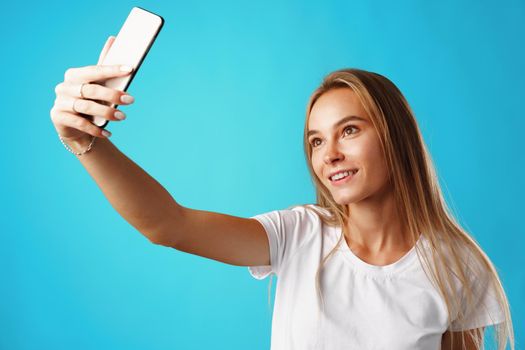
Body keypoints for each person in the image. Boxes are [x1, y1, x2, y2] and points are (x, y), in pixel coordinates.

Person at [50, 36, 515, 350]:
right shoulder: (299, 234)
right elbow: (168, 225)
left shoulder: (457, 265)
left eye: (348, 130)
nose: (328, 154)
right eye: (315, 140)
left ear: (396, 136)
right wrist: (84, 143)